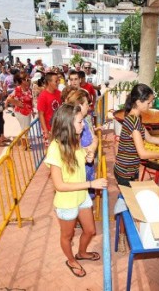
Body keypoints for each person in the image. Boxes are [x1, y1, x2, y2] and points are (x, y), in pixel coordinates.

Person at [44, 104, 107, 277]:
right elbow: (59, 185)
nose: (83, 125)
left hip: (82, 197)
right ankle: (71, 260)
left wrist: (88, 154)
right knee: (68, 235)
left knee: (90, 230)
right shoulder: (55, 149)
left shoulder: (75, 139)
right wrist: (91, 184)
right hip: (66, 203)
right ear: (68, 124)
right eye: (80, 122)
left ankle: (82, 253)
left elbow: (80, 158)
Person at [114, 83, 159, 187]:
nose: (151, 105)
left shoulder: (135, 117)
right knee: (128, 200)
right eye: (148, 102)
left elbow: (149, 138)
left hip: (130, 169)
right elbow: (143, 154)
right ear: (138, 102)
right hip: (125, 172)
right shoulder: (133, 121)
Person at [65, 89, 98, 186]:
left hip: (88, 169)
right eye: (87, 104)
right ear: (79, 106)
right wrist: (89, 151)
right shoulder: (71, 127)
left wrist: (91, 149)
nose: (89, 106)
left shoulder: (84, 121)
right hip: (76, 176)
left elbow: (95, 138)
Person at [6, 73, 34, 149]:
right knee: (24, 129)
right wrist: (18, 103)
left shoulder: (28, 89)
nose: (29, 80)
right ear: (22, 81)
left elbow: (30, 100)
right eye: (27, 79)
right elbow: (9, 99)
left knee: (26, 128)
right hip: (21, 112)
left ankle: (25, 144)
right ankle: (25, 145)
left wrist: (32, 111)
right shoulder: (18, 89)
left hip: (27, 112)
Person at [37, 72, 61, 145]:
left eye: (58, 81)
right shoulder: (43, 96)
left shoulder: (59, 93)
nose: (58, 83)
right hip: (49, 129)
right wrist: (46, 131)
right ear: (49, 82)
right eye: (56, 81)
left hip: (59, 128)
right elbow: (41, 115)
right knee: (50, 152)